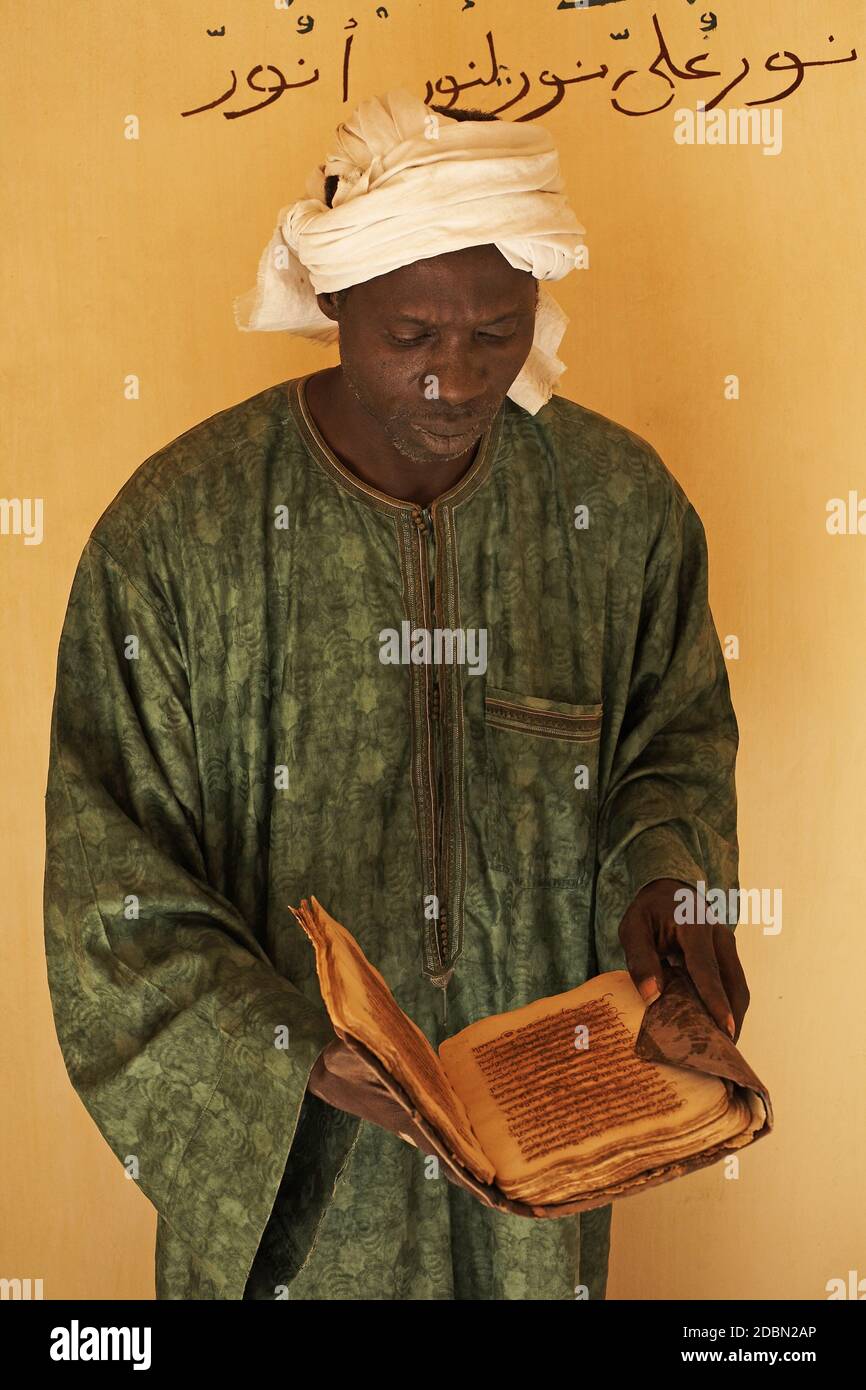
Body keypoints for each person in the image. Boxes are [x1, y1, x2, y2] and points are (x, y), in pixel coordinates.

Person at [43, 89, 748, 1301]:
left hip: (543, 1154)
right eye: (411, 335)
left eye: (497, 330)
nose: (456, 378)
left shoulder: (619, 508)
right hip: (310, 1175)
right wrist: (294, 1046)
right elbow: (110, 877)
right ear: (333, 303)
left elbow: (668, 746)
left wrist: (666, 884)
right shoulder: (178, 529)